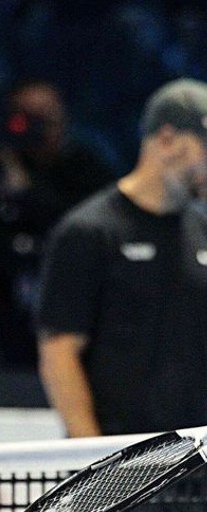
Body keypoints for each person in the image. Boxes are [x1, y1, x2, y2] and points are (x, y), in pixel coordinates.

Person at [35, 77, 207, 512]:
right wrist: (95, 466)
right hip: (116, 477)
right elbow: (58, 353)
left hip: (198, 474)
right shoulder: (86, 232)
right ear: (167, 140)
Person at [0, 78, 115, 372]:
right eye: (23, 117)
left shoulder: (86, 168)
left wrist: (26, 192)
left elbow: (85, 228)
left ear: (62, 119)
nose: (31, 128)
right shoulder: (5, 165)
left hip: (75, 334)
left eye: (43, 118)